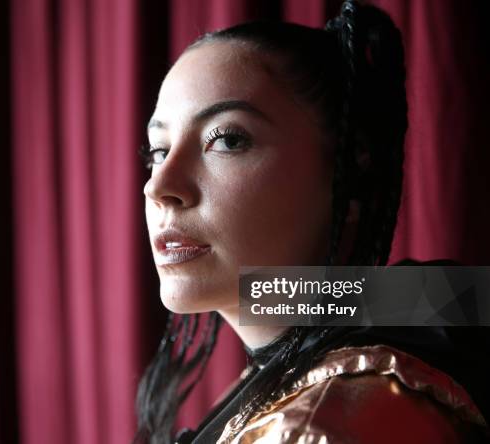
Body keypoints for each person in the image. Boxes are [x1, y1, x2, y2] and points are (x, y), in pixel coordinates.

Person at [134, 1, 490, 442]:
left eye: (227, 139)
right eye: (158, 151)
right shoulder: (396, 323)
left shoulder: (317, 425)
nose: (159, 186)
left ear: (349, 174)